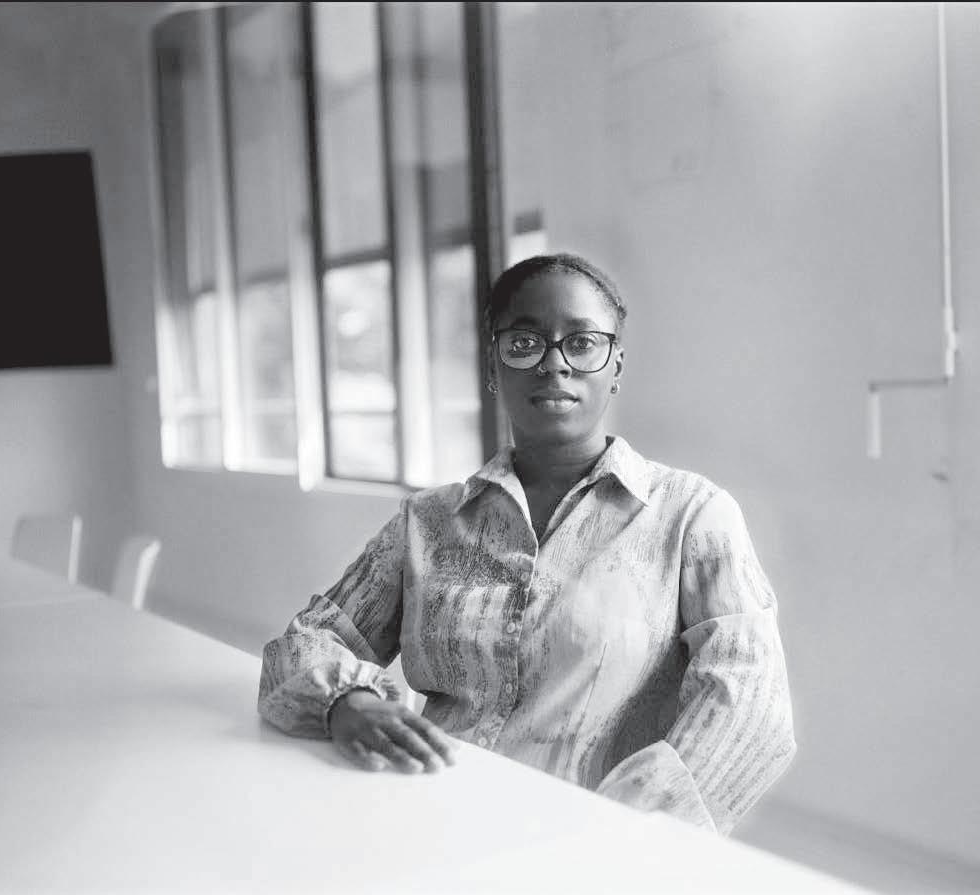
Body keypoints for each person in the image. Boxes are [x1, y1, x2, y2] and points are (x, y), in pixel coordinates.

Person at [258, 253, 796, 835]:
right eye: (525, 343)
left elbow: (750, 705)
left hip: (593, 851)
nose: (554, 364)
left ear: (615, 365)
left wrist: (623, 830)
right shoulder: (428, 521)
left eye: (582, 343)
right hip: (429, 822)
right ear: (494, 365)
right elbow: (310, 639)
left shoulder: (691, 516)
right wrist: (349, 702)